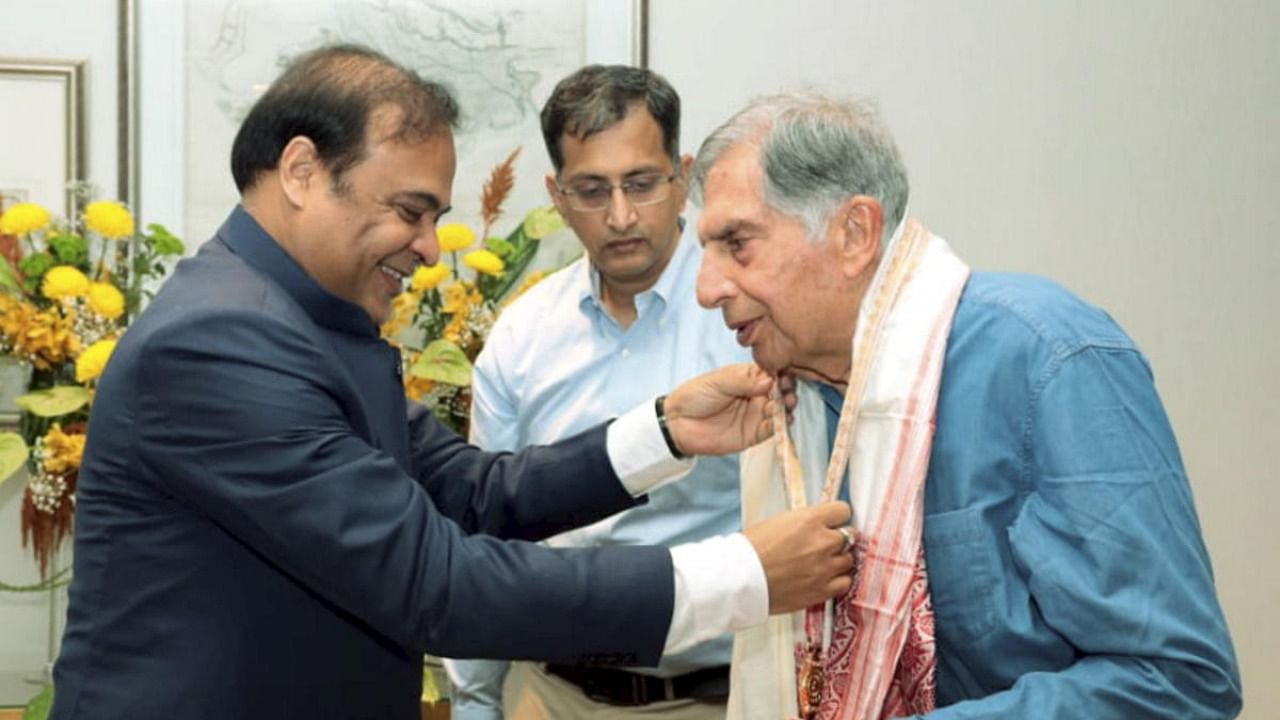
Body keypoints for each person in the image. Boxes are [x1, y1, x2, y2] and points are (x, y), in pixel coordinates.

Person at [47, 46, 858, 720]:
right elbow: (436, 581)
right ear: (302, 170)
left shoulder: (303, 323)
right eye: (411, 209)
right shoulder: (221, 345)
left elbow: (473, 491)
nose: (431, 247)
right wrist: (742, 574)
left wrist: (667, 430)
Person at [690, 92, 1242, 719]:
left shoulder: (1048, 359)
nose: (707, 290)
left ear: (854, 234)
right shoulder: (793, 403)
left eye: (737, 244)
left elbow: (1180, 683)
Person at [446, 66, 751, 719]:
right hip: (550, 693)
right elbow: (485, 537)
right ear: (557, 196)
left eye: (641, 184)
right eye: (591, 190)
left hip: (713, 696)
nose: (620, 216)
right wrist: (475, 704)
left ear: (683, 178)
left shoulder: (745, 318)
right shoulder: (523, 336)